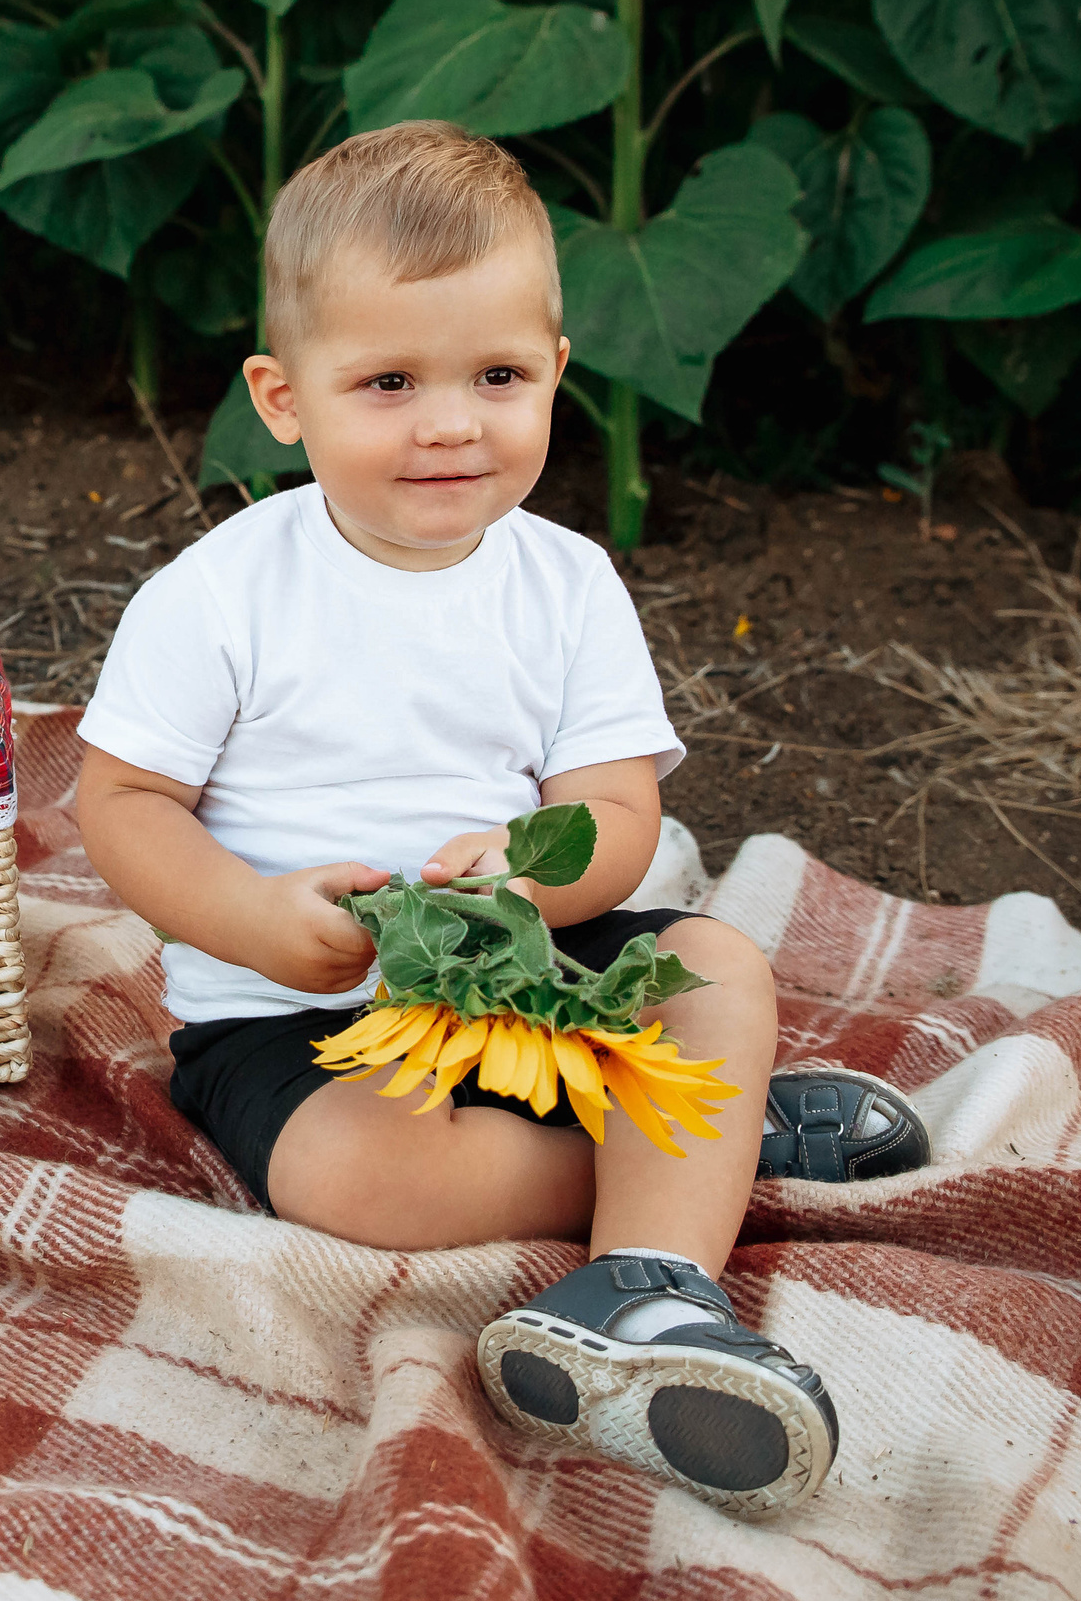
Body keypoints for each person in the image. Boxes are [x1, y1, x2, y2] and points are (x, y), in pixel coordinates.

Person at [73, 120, 923, 1516]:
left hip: (518, 969)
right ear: (284, 399)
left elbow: (617, 805)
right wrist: (254, 918)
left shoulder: (566, 583)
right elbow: (122, 802)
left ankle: (648, 1298)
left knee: (717, 966)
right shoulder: (220, 594)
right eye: (391, 380)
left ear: (557, 378)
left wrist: (540, 880)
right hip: (301, 1015)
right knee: (370, 1181)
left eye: (499, 376)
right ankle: (713, 1140)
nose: (452, 421)